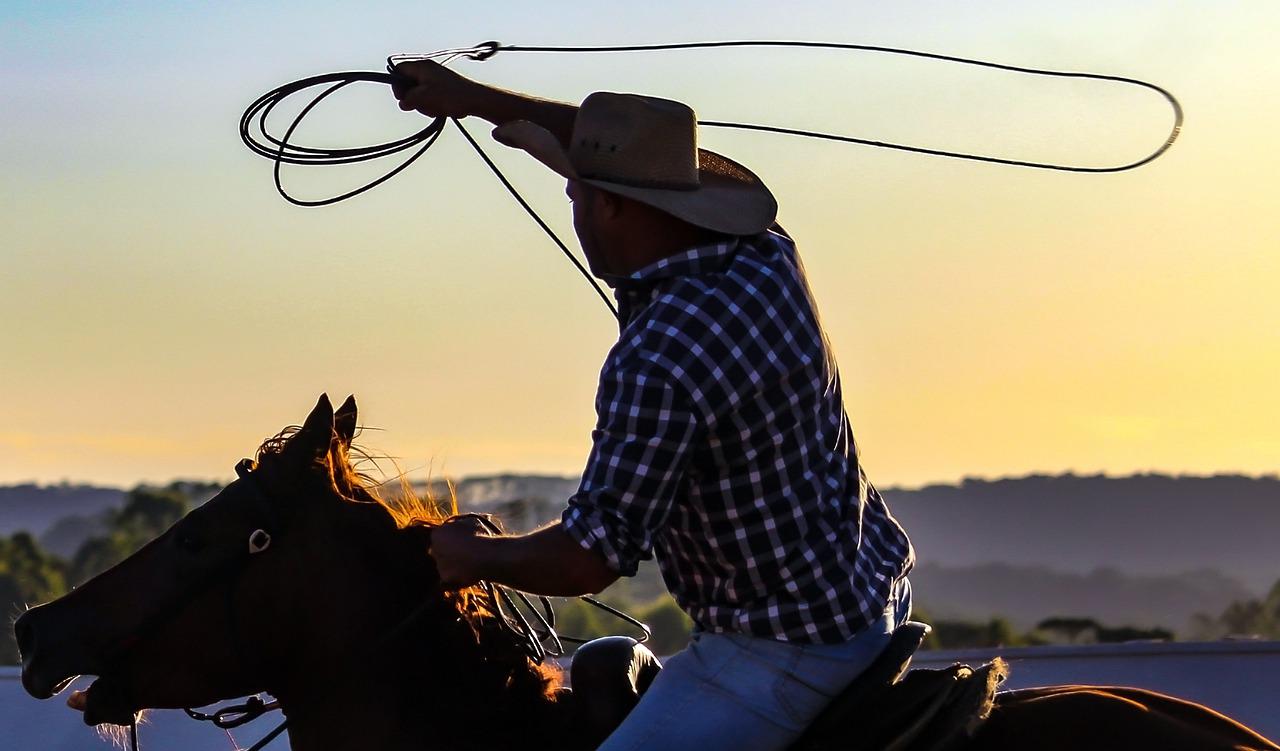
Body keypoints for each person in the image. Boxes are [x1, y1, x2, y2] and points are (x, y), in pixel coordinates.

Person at [392, 61, 915, 751]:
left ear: (607, 205)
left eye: (576, 193)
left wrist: (471, 554)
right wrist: (475, 99)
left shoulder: (659, 357)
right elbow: (601, 151)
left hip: (781, 652)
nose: (571, 203)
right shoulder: (765, 252)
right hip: (868, 593)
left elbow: (587, 558)